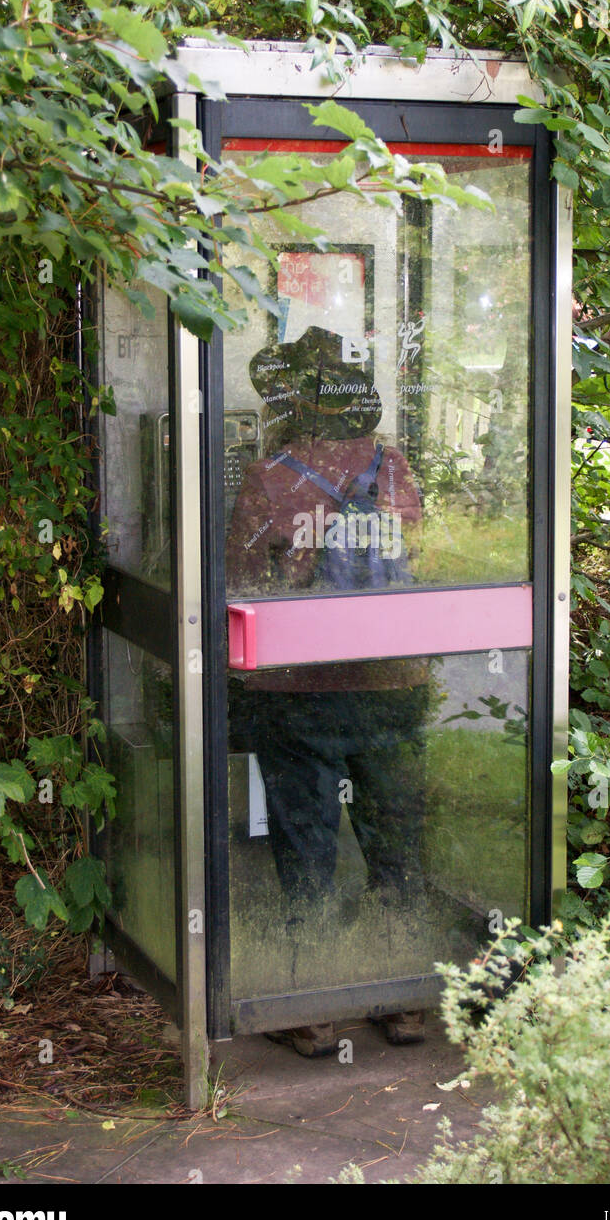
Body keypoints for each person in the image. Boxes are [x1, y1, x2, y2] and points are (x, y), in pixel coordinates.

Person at [226, 326, 429, 1055]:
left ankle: (312, 1007)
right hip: (392, 679)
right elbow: (423, 559)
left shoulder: (266, 477)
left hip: (299, 688)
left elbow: (240, 587)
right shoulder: (392, 465)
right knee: (394, 839)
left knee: (306, 844)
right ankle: (402, 999)